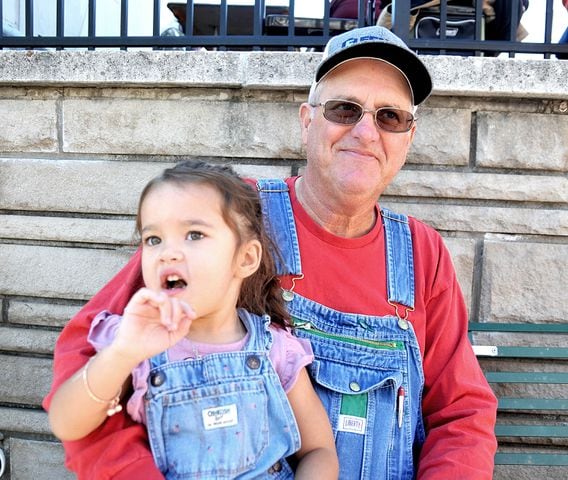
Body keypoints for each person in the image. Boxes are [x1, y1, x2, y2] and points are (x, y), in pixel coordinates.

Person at [44, 26, 498, 479]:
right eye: (344, 109)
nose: (365, 131)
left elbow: (461, 415)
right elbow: (86, 367)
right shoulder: (229, 217)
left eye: (390, 118)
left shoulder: (421, 253)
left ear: (408, 138)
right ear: (307, 120)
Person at [47, 161, 338, 479]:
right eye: (153, 239)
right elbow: (66, 424)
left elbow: (319, 450)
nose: (167, 253)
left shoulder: (275, 349)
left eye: (194, 234)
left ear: (246, 258)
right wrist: (121, 354)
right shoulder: (133, 341)